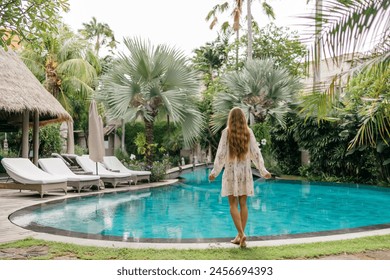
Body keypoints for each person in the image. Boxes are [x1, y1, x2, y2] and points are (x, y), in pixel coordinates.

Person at [208, 107, 271, 248]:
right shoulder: (248, 132)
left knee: (232, 205)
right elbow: (256, 153)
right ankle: (239, 236)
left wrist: (214, 172)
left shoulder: (226, 132)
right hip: (245, 173)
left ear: (230, 118)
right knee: (243, 204)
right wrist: (262, 170)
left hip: (231, 173)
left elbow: (221, 154)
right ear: (244, 118)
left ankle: (241, 234)